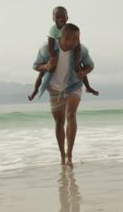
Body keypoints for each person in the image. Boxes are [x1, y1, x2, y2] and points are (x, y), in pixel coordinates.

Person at [33, 23, 95, 166]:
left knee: (71, 115)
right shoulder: (46, 49)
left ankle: (69, 156)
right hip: (54, 89)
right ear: (64, 37)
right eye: (73, 39)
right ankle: (62, 155)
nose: (76, 42)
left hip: (73, 86)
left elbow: (90, 64)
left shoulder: (81, 50)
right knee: (59, 122)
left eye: (78, 38)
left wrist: (83, 72)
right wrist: (46, 66)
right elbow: (36, 65)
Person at [29, 6, 99, 100]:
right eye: (58, 17)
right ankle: (35, 91)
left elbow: (77, 45)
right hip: (54, 52)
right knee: (42, 73)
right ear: (53, 18)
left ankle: (88, 87)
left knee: (79, 69)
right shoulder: (53, 29)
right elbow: (50, 46)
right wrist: (52, 59)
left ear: (67, 17)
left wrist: (76, 61)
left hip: (71, 52)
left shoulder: (70, 28)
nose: (61, 19)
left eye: (63, 17)